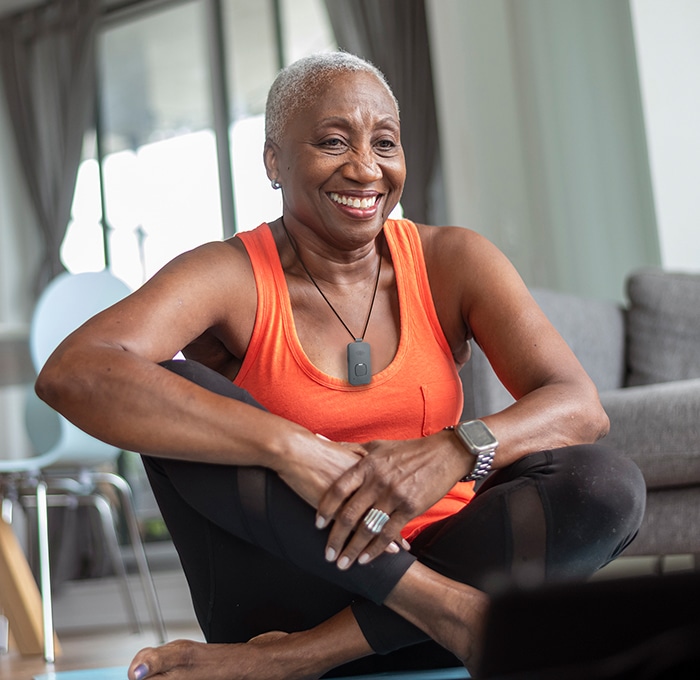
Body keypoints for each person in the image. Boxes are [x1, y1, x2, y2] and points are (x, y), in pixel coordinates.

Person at [36, 52, 646, 680]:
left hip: (443, 566)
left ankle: (304, 657)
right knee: (169, 388)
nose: (365, 168)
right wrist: (291, 448)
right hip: (285, 591)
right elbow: (74, 370)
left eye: (385, 143)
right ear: (274, 161)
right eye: (332, 141)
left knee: (607, 484)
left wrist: (458, 448)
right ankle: (443, 613)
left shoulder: (452, 261)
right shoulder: (229, 274)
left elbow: (579, 406)